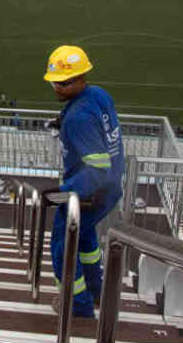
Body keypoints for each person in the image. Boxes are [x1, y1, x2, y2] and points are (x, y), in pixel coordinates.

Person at [42, 45, 124, 320]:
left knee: (62, 248)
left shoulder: (78, 119)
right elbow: (98, 125)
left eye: (61, 83)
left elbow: (98, 169)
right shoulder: (98, 95)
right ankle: (96, 289)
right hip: (108, 189)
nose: (56, 87)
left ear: (77, 80)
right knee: (86, 237)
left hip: (89, 192)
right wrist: (61, 120)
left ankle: (78, 307)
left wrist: (62, 193)